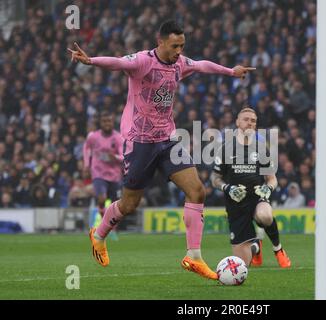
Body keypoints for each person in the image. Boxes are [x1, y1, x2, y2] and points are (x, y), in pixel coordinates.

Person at [68, 19, 255, 280]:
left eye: (182, 45)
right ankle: (98, 235)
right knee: (130, 203)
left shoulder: (179, 63)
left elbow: (201, 65)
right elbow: (119, 62)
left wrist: (229, 71)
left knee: (196, 190)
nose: (179, 51)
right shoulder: (143, 61)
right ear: (161, 41)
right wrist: (92, 61)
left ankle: (194, 257)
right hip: (139, 141)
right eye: (175, 45)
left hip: (168, 140)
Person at [210, 107, 291, 268]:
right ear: (237, 122)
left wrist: (268, 189)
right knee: (242, 265)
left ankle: (278, 249)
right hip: (236, 202)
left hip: (257, 197)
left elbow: (272, 179)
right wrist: (227, 188)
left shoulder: (262, 148)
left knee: (265, 216)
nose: (250, 123)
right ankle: (256, 246)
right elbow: (215, 178)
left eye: (253, 121)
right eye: (246, 119)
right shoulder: (225, 148)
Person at [83, 111, 123, 239]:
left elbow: (124, 156)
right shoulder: (93, 137)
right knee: (101, 198)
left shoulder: (118, 138)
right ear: (100, 123)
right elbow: (86, 148)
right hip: (98, 173)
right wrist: (86, 165)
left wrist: (115, 157)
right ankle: (105, 226)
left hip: (114, 175)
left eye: (109, 121)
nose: (107, 123)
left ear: (112, 122)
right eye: (104, 121)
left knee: (114, 204)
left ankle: (112, 228)